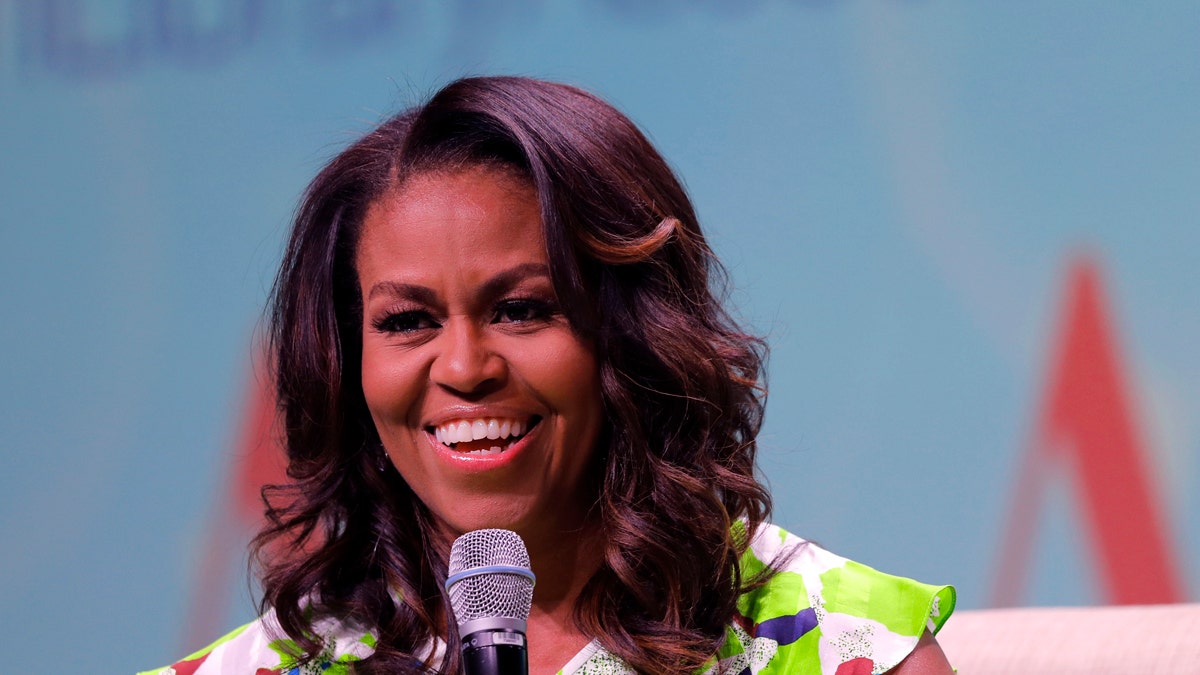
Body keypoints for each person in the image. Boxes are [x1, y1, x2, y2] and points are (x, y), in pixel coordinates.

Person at [140, 76, 955, 675]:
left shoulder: (847, 647)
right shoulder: (277, 664)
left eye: (523, 309)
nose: (463, 368)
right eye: (406, 322)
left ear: (635, 335)